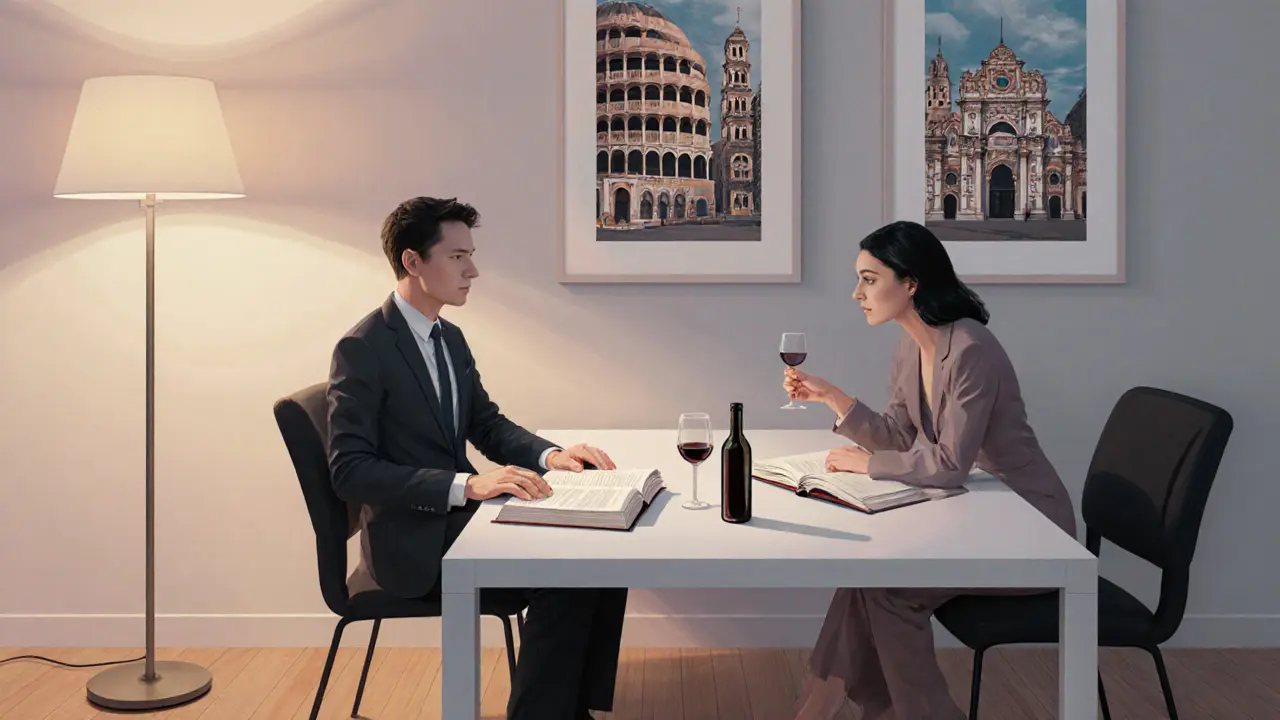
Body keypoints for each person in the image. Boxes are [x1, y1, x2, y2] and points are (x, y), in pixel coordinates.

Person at [326, 196, 627, 720]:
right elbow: (349, 471)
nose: (474, 270)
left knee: (601, 553)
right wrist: (466, 486)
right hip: (411, 545)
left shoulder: (449, 338)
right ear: (413, 262)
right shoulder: (364, 348)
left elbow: (485, 423)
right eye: (458, 256)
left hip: (461, 522)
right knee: (568, 573)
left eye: (471, 255)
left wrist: (552, 455)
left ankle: (579, 709)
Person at [782, 220, 1078, 720]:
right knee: (866, 578)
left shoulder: (970, 348)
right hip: (983, 511)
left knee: (890, 589)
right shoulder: (911, 344)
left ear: (911, 282)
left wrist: (869, 466)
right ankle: (819, 711)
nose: (857, 293)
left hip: (1032, 523)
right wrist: (831, 396)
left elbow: (950, 464)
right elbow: (899, 434)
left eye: (870, 279)